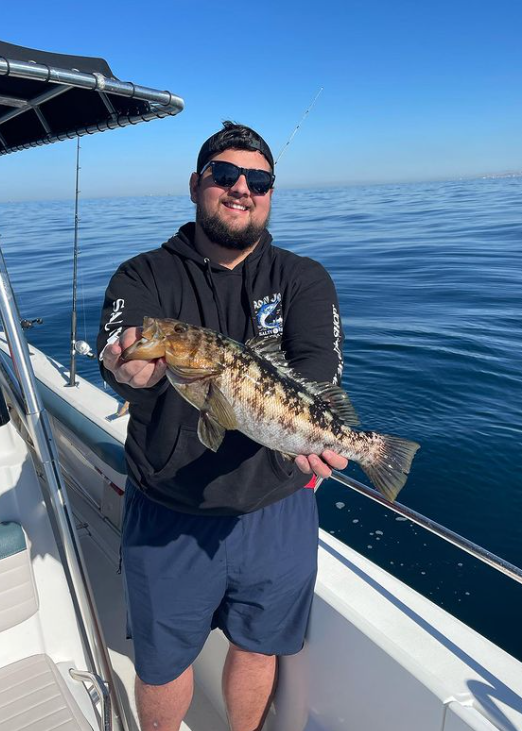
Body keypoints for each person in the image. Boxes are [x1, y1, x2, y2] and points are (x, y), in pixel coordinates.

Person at [98, 121, 347, 731]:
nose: (242, 188)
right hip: (168, 511)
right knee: (160, 667)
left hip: (277, 506)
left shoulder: (302, 278)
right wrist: (130, 368)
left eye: (258, 179)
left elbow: (318, 373)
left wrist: (318, 438)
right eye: (225, 175)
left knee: (258, 646)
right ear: (196, 184)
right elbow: (124, 351)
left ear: (269, 192)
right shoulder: (143, 275)